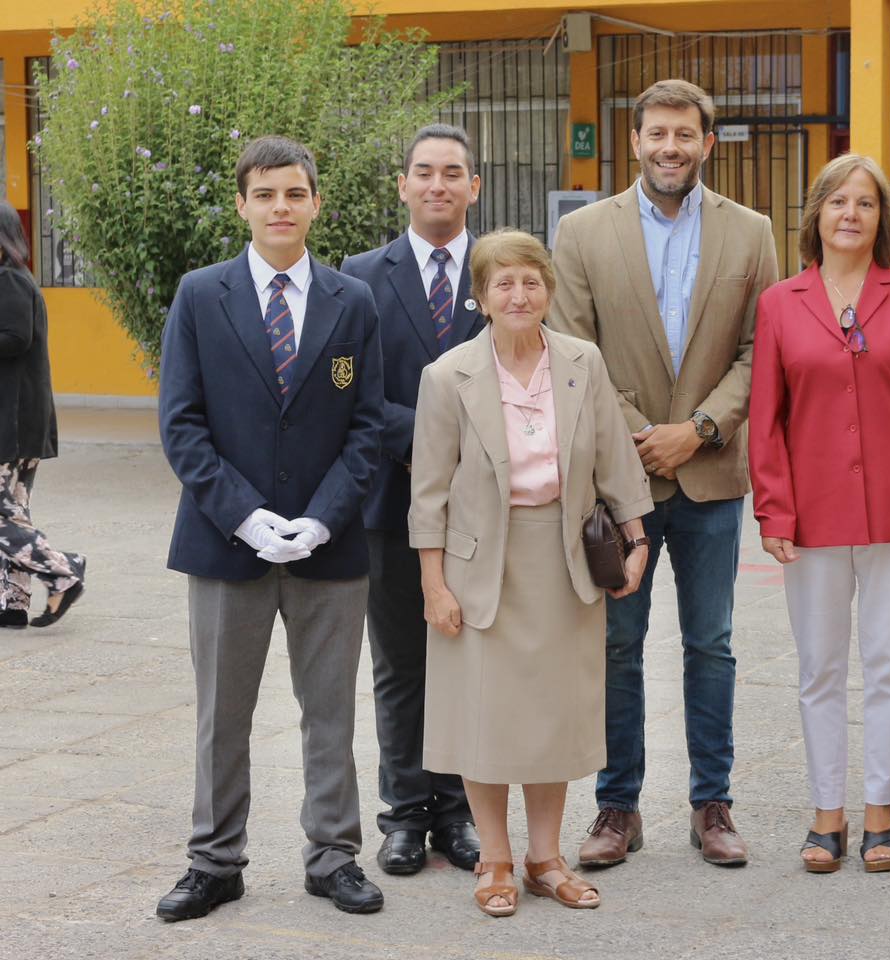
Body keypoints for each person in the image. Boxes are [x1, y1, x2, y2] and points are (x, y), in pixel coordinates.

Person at [549, 78, 779, 868]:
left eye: (686, 134)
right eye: (657, 134)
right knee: (618, 644)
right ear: (636, 140)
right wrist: (641, 438)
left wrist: (700, 429)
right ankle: (617, 809)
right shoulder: (581, 235)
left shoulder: (752, 234)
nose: (671, 147)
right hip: (622, 483)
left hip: (711, 476)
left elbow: (760, 351)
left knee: (711, 644)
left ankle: (712, 806)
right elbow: (572, 349)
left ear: (707, 143)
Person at [155, 136, 385, 920]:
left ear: (316, 203)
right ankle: (214, 862)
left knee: (330, 710)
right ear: (243, 204)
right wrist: (246, 517)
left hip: (331, 548)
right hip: (226, 545)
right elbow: (182, 425)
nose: (280, 207)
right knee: (222, 712)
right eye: (265, 194)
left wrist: (320, 521)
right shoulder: (200, 294)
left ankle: (333, 857)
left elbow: (367, 428)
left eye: (294, 193)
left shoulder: (352, 301)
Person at [410, 228, 652, 915]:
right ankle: (495, 860)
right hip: (480, 564)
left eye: (531, 281)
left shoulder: (582, 361)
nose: (519, 294)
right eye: (503, 283)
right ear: (480, 297)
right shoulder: (447, 375)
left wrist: (636, 539)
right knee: (485, 721)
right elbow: (427, 493)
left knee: (553, 719)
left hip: (565, 558)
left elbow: (614, 459)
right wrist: (434, 585)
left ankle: (545, 859)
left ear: (548, 290)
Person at [750, 154, 890, 874]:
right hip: (811, 514)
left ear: (882, 221)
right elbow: (766, 418)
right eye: (838, 202)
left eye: (865, 204)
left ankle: (881, 812)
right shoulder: (781, 301)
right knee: (820, 669)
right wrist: (774, 510)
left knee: (889, 664)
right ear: (817, 215)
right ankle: (826, 813)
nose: (850, 214)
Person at [340, 123, 484, 876]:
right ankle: (402, 815)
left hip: (482, 513)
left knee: (464, 661)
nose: (437, 185)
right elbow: (355, 392)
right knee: (399, 665)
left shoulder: (500, 273)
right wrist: (439, 441)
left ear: (474, 187)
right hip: (389, 503)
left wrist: (471, 449)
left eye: (452, 173)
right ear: (402, 185)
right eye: (423, 172)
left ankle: (458, 812)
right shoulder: (360, 274)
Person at [0, 200, 85, 630]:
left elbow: (15, 338)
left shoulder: (11, 281)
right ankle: (13, 603)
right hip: (16, 424)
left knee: (1, 518)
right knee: (13, 515)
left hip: (10, 426)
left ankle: (63, 570)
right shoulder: (14, 280)